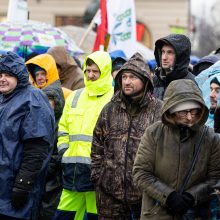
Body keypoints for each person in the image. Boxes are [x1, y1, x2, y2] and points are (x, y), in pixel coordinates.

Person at [133, 79, 220, 220]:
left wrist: (192, 196)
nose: (190, 117)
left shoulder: (210, 137)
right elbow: (141, 172)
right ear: (171, 111)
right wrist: (169, 196)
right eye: (184, 112)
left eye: (195, 111)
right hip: (157, 214)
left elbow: (215, 178)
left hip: (194, 214)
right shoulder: (154, 133)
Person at [91, 52, 162, 220]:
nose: (127, 82)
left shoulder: (159, 110)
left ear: (145, 80)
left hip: (146, 194)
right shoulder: (110, 109)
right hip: (109, 194)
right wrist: (98, 176)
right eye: (124, 77)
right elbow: (97, 144)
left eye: (132, 77)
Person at [53, 51, 114, 220]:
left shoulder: (114, 99)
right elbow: (63, 128)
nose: (90, 75)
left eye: (95, 71)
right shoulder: (74, 96)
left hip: (99, 177)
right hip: (72, 173)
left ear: (105, 71)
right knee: (63, 216)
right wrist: (64, 151)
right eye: (88, 70)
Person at [0, 51, 55, 219]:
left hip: (16, 192)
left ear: (19, 75)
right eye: (0, 74)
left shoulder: (33, 100)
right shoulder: (3, 99)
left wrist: (23, 185)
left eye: (8, 74)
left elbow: (36, 150)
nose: (2, 78)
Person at [39, 78, 65, 219]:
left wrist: (47, 167)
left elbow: (58, 151)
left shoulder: (61, 123)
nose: (47, 103)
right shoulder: (39, 119)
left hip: (53, 177)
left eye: (50, 99)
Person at [153, 34, 195, 100]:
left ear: (180, 56)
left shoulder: (191, 83)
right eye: (163, 52)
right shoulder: (156, 79)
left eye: (170, 53)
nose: (164, 57)